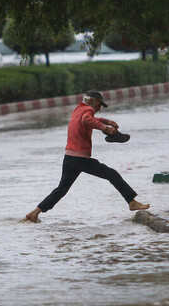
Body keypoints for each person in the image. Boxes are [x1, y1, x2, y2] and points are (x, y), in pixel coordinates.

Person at [25, 90, 149, 223]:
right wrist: (106, 129)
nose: (99, 108)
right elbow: (87, 119)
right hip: (80, 158)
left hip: (69, 158)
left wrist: (106, 121)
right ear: (92, 101)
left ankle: (35, 212)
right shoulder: (88, 110)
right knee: (111, 174)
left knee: (61, 190)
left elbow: (88, 118)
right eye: (99, 104)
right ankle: (131, 201)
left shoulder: (78, 109)